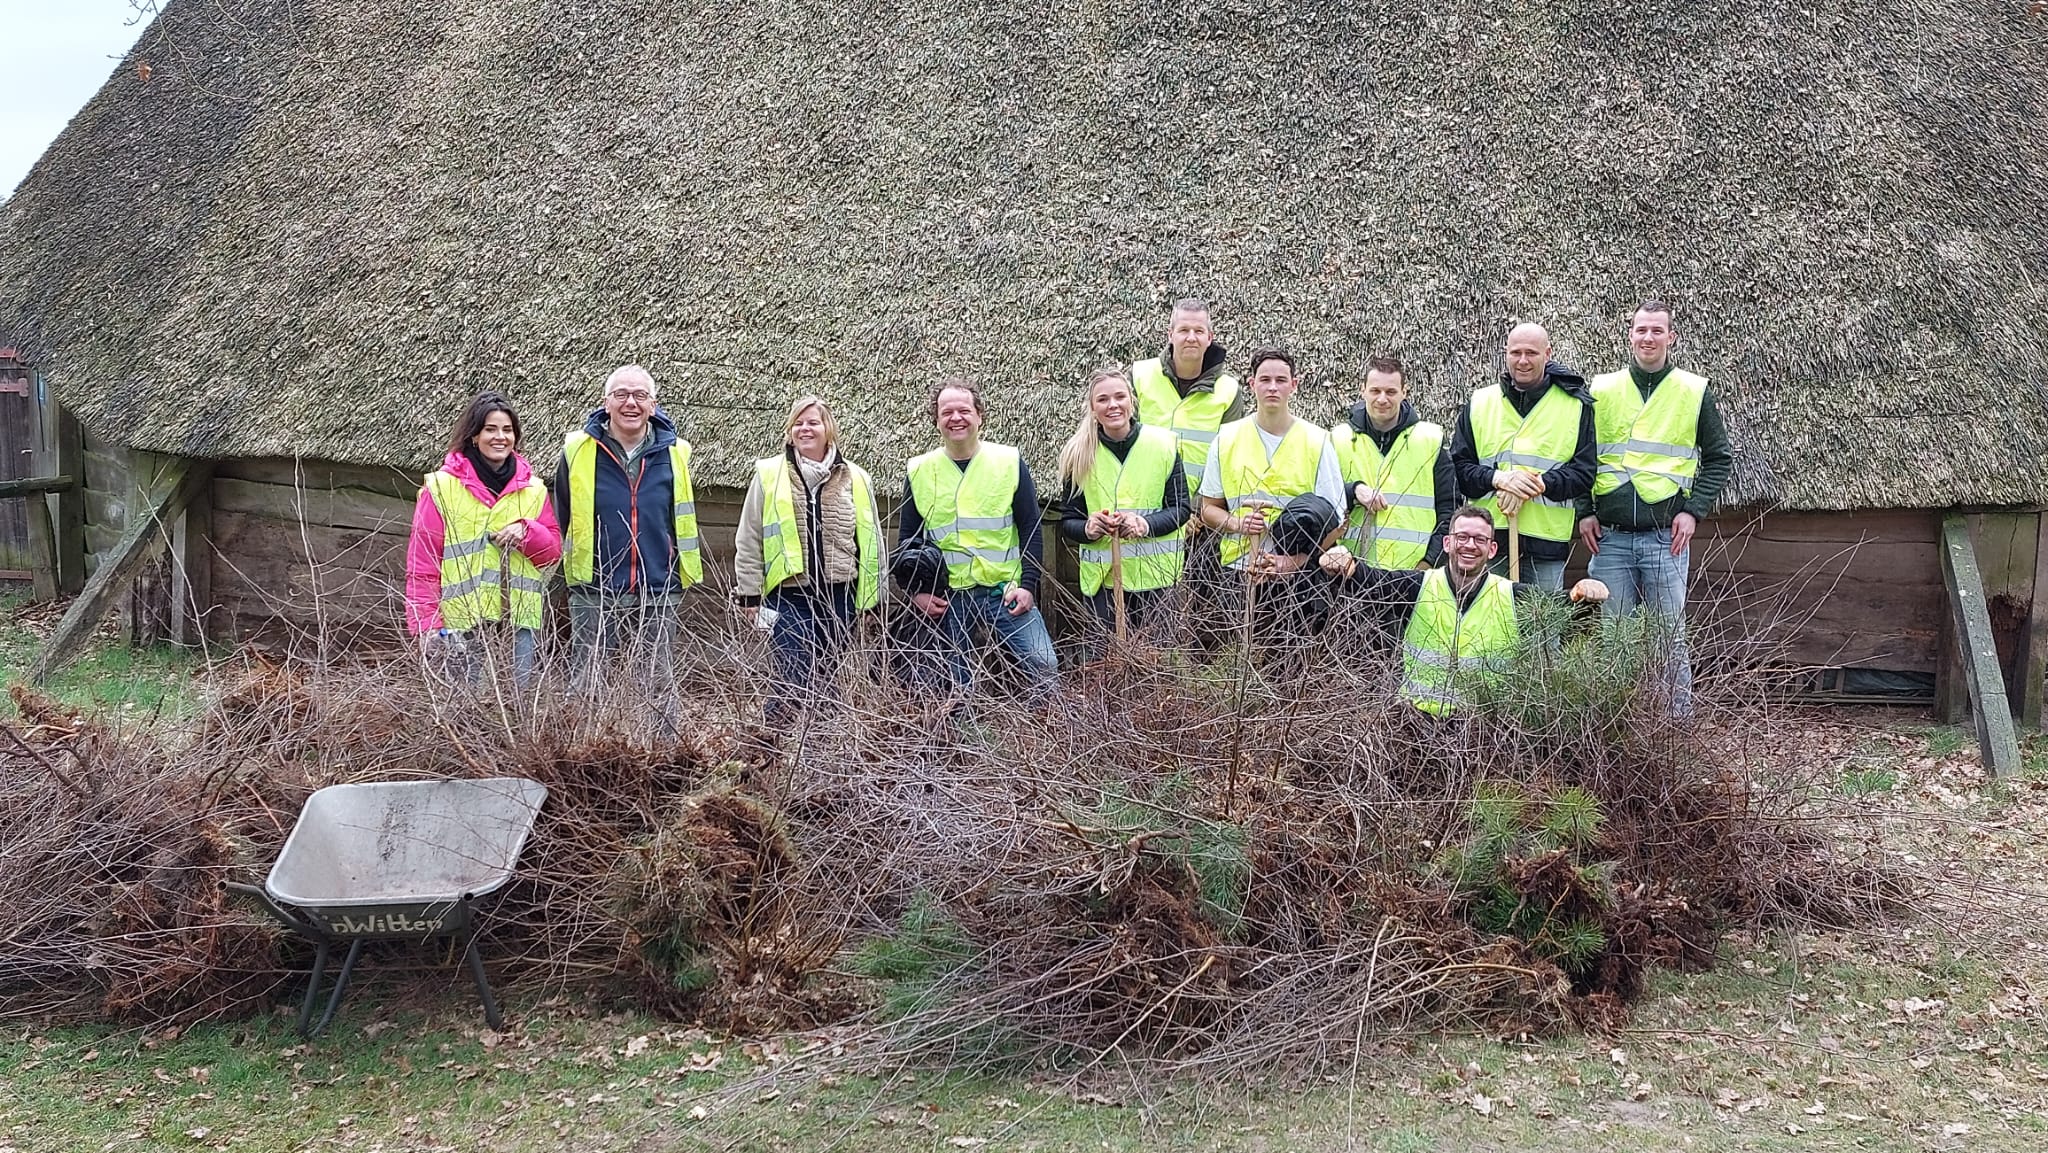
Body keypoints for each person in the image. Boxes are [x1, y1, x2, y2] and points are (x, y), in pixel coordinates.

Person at [1577, 300, 1734, 715]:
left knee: (1668, 635)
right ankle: (1614, 718)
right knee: (1613, 635)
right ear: (1630, 335)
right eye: (1641, 330)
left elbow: (1719, 458)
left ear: (1671, 337)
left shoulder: (1693, 390)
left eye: (1656, 331)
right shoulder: (1602, 389)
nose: (1648, 338)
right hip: (1609, 540)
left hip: (1666, 538)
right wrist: (1583, 511)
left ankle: (1675, 724)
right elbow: (1582, 454)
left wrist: (1693, 510)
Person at [1321, 504, 1609, 716]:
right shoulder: (1417, 586)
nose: (1469, 545)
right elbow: (1370, 581)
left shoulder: (1511, 595)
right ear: (1448, 543)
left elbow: (1565, 608)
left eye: (1479, 539)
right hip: (1414, 723)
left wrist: (1585, 591)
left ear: (1492, 549)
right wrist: (1345, 563)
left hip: (1486, 729)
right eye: (1462, 537)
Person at [897, 378, 1058, 698]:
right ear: (937, 420)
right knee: (957, 685)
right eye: (947, 412)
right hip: (949, 597)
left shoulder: (1009, 462)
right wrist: (915, 593)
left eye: (964, 410)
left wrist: (1028, 585)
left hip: (1004, 590)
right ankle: (965, 740)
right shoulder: (919, 470)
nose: (956, 418)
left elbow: (1030, 527)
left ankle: (1037, 737)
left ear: (979, 415)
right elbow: (908, 540)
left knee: (1043, 664)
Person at [734, 396, 884, 722]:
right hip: (787, 596)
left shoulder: (856, 478)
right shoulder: (769, 474)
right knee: (792, 674)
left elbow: (871, 543)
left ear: (828, 429)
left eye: (813, 422)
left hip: (839, 595)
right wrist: (749, 594)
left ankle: (822, 753)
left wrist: (873, 600)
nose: (805, 428)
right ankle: (769, 749)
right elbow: (749, 537)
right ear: (790, 431)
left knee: (827, 676)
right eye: (798, 423)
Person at [552, 364, 702, 686]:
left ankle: (659, 739)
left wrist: (673, 570)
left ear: (653, 404)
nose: (630, 403)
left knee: (658, 683)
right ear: (606, 403)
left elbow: (679, 518)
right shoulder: (577, 451)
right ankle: (583, 739)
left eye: (639, 395)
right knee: (588, 680)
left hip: (658, 587)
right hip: (594, 587)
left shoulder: (677, 452)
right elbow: (561, 515)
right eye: (620, 394)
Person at [406, 392, 562, 688]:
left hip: (518, 625)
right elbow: (422, 563)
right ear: (474, 435)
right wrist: (426, 625)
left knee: (518, 711)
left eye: (507, 430)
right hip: (461, 624)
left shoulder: (534, 490)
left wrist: (527, 531)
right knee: (464, 711)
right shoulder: (441, 488)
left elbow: (552, 553)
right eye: (490, 429)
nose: (500, 437)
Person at [1196, 349, 1347, 639]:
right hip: (1237, 574)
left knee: (1285, 671)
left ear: (1295, 384)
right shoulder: (1226, 438)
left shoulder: (1318, 441)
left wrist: (1293, 562)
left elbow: (1337, 520)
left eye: (1281, 379)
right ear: (1251, 384)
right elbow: (1208, 508)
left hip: (1295, 578)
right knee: (1239, 665)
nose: (1273, 387)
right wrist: (1238, 524)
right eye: (1265, 379)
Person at [1449, 323, 1597, 591]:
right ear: (1505, 354)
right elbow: (1460, 469)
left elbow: (1584, 473)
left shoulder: (1576, 406)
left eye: (1531, 353)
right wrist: (1499, 479)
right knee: (1487, 627)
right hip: (1489, 543)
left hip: (1546, 545)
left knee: (1541, 628)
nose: (1523, 360)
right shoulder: (1481, 403)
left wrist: (1539, 484)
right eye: (1516, 353)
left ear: (1548, 353)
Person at [1055, 365, 1191, 642]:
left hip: (1157, 583)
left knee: (1157, 666)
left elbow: (1181, 509)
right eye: (1103, 399)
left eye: (1120, 397)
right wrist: (1089, 529)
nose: (1112, 405)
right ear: (1092, 408)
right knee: (1105, 667)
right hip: (1103, 586)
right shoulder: (1077, 454)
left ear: (1132, 400)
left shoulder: (1163, 446)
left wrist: (1144, 524)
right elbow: (1068, 520)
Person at [1329, 354, 1456, 571]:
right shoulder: (1337, 439)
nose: (1382, 399)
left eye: (1390, 392)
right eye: (1375, 391)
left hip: (1414, 575)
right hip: (1350, 575)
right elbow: (1322, 501)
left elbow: (1449, 508)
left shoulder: (1430, 440)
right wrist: (1353, 491)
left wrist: (1429, 562)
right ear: (1363, 390)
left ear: (1404, 392)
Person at [1129, 298, 1243, 496]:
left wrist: (1196, 509)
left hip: (1199, 517)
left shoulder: (1229, 391)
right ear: (1170, 335)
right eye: (1183, 330)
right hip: (1142, 506)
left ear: (1209, 337)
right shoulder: (1139, 376)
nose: (1191, 337)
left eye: (1199, 331)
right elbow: (1120, 441)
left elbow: (1229, 459)